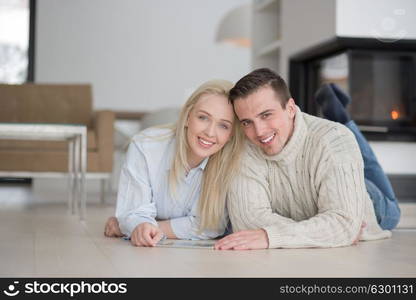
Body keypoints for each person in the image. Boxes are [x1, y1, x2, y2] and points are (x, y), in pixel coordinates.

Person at [214, 68, 394, 250]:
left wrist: (270, 235)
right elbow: (248, 222)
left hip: (370, 200)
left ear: (291, 108)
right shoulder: (245, 148)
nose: (259, 131)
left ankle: (345, 121)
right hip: (320, 183)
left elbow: (343, 223)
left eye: (266, 115)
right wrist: (327, 232)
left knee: (387, 200)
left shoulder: (334, 139)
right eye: (247, 122)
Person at [105, 79, 244, 247]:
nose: (210, 132)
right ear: (186, 117)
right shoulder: (145, 146)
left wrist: (140, 227)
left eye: (223, 125)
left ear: (231, 135)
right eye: (203, 118)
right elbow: (134, 211)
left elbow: (211, 225)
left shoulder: (231, 162)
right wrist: (137, 225)